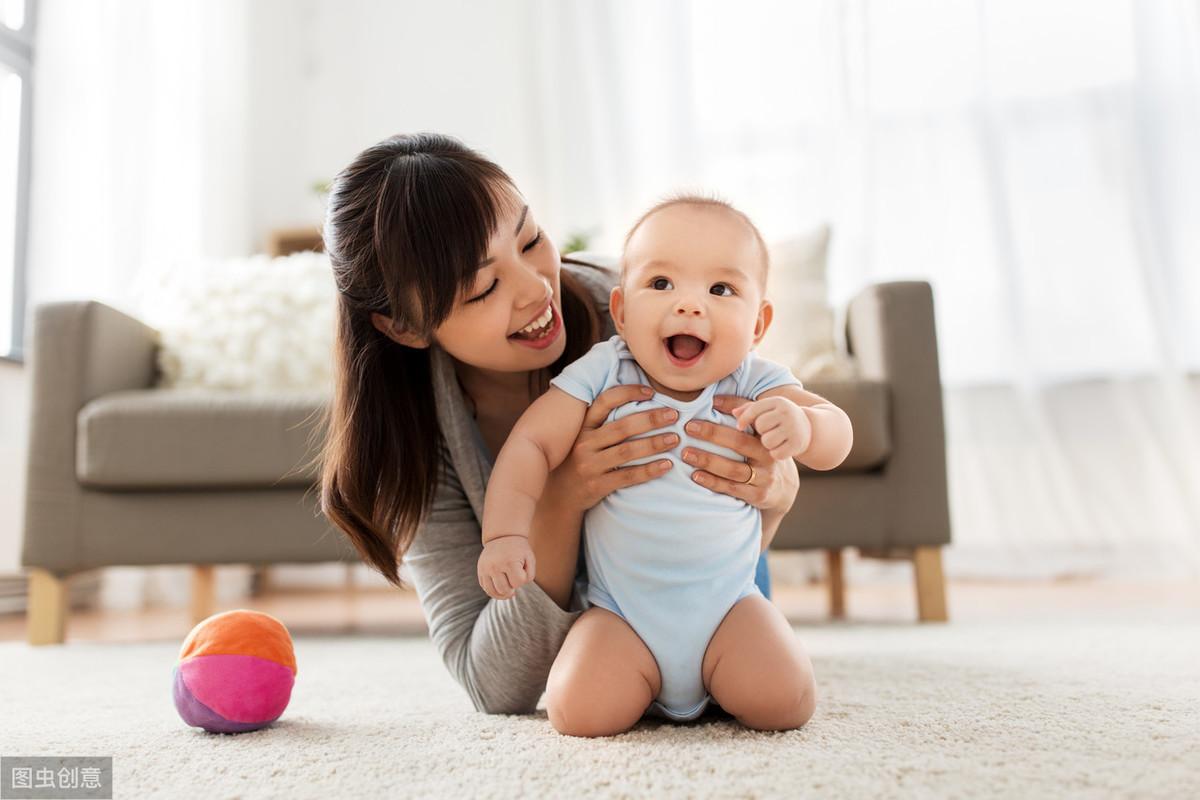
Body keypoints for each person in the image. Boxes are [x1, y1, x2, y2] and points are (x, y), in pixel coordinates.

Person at [316, 132, 803, 717]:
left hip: (723, 591)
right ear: (404, 327)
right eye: (484, 287)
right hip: (609, 637)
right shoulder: (415, 439)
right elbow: (493, 684)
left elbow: (768, 426)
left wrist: (776, 492)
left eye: (530, 239)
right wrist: (560, 500)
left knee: (771, 688)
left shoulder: (644, 319)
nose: (535, 287)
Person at [478, 195, 853, 736]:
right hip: (622, 616)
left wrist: (806, 426)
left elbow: (836, 431)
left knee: (786, 702)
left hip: (729, 607)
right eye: (661, 284)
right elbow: (531, 445)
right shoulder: (604, 370)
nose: (690, 306)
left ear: (758, 323)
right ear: (623, 312)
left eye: (721, 289)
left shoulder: (754, 380)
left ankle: (721, 676)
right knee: (577, 712)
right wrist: (505, 535)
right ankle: (645, 682)